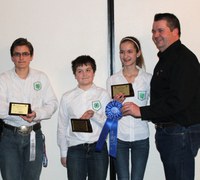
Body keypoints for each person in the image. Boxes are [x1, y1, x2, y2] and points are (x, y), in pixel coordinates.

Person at [122, 13, 200, 180]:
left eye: (160, 30)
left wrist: (142, 111)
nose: (155, 36)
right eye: (153, 31)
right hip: (171, 133)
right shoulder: (167, 59)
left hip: (180, 134)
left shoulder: (183, 59)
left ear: (175, 31)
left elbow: (179, 101)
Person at [0, 38, 58, 180]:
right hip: (9, 136)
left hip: (34, 135)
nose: (21, 58)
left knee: (32, 178)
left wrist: (36, 114)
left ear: (31, 56)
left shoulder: (41, 77)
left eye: (25, 54)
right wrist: (20, 112)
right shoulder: (3, 79)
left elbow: (52, 103)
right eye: (17, 54)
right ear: (12, 57)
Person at [57, 55, 110, 180]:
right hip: (75, 148)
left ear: (94, 72)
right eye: (79, 71)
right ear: (75, 75)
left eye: (88, 70)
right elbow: (62, 126)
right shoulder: (67, 97)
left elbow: (110, 124)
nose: (84, 74)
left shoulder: (102, 94)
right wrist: (63, 153)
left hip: (98, 147)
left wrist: (94, 115)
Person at [106, 36, 152, 180]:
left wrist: (139, 111)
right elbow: (108, 111)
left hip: (141, 137)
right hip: (119, 137)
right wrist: (114, 104)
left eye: (129, 52)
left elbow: (154, 108)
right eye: (122, 52)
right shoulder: (113, 79)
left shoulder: (148, 78)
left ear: (138, 53)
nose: (125, 56)